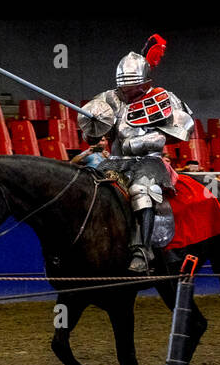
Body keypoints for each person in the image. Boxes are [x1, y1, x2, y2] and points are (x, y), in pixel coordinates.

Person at [77, 34, 192, 273]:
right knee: (87, 188)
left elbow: (180, 130)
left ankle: (143, 249)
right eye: (124, 86)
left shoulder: (162, 98)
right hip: (115, 161)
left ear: (145, 82)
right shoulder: (108, 98)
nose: (128, 91)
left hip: (148, 161)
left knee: (143, 191)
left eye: (133, 86)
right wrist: (93, 126)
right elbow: (91, 136)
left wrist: (139, 143)